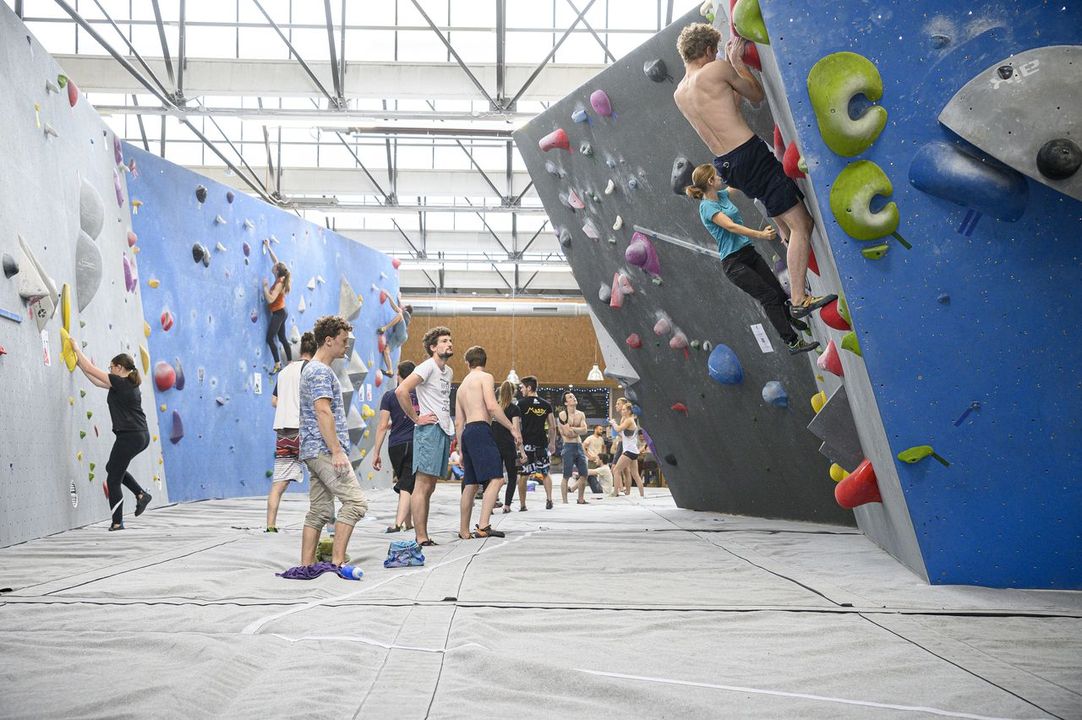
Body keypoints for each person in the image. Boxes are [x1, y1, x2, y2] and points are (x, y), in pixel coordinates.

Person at [674, 22, 835, 319]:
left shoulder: (680, 93)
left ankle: (792, 256)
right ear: (709, 50)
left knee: (786, 224)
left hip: (727, 164)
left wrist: (731, 75)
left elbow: (727, 107)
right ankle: (799, 298)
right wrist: (736, 64)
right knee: (803, 224)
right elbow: (755, 95)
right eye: (714, 53)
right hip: (749, 155)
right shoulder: (716, 68)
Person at [686, 164, 818, 354]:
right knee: (769, 297)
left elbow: (735, 185)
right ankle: (792, 342)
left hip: (748, 253)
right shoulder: (707, 207)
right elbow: (731, 227)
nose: (720, 177)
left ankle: (789, 318)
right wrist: (761, 234)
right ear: (710, 182)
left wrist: (740, 169)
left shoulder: (721, 195)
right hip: (734, 263)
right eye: (716, 176)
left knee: (778, 293)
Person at [297, 315, 368, 568]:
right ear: (328, 341)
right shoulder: (318, 371)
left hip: (314, 449)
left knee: (320, 511)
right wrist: (337, 451)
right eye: (343, 340)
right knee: (356, 503)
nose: (347, 345)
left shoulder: (315, 369)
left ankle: (306, 566)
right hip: (325, 450)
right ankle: (337, 562)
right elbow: (322, 411)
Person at [71, 342, 151, 531]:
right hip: (139, 435)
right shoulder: (126, 384)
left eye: (111, 367)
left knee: (113, 479)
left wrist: (75, 348)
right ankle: (141, 495)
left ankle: (117, 522)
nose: (110, 369)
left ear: (119, 368)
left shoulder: (121, 382)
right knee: (113, 468)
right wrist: (78, 364)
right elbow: (96, 380)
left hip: (130, 436)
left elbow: (92, 369)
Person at [454, 346, 522, 539]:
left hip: (467, 433)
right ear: (484, 361)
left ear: (467, 363)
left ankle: (464, 530)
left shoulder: (461, 387)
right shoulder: (485, 377)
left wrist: (460, 449)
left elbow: (458, 422)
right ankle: (483, 525)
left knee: (471, 483)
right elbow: (492, 407)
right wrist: (512, 428)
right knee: (497, 479)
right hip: (481, 430)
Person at [396, 326, 454, 547]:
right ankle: (420, 537)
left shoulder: (448, 372)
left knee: (430, 486)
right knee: (422, 485)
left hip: (443, 430)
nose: (449, 344)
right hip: (428, 431)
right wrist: (416, 418)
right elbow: (402, 390)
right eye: (444, 341)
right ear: (433, 347)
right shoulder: (427, 366)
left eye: (450, 340)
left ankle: (424, 534)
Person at [266, 331, 317, 532]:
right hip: (304, 431)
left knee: (279, 483)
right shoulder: (312, 370)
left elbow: (274, 401)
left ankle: (270, 525)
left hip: (283, 433)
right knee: (322, 478)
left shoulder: (285, 371)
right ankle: (327, 524)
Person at [372, 360, 418, 533]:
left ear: (399, 376)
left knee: (404, 482)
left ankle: (408, 523)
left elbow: (382, 425)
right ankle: (398, 523)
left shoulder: (389, 396)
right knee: (407, 484)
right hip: (414, 442)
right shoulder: (420, 394)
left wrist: (376, 452)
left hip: (395, 446)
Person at [516, 376, 557, 510]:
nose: (521, 390)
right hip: (542, 443)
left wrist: (518, 443)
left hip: (527, 444)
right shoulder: (546, 404)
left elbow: (517, 425)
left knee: (524, 474)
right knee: (545, 472)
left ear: (529, 388)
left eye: (522, 387)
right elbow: (552, 426)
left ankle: (522, 505)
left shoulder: (520, 404)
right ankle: (549, 499)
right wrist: (552, 443)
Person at [493, 380, 525, 513]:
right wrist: (522, 451)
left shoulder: (494, 408)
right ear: (513, 393)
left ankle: (492, 503)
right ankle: (506, 506)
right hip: (508, 446)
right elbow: (516, 431)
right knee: (512, 477)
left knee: (494, 477)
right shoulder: (514, 409)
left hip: (493, 445)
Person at [262, 239, 293, 374]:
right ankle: (290, 363)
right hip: (281, 311)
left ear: (277, 271)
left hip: (279, 312)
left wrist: (265, 287)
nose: (273, 265)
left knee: (270, 338)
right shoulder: (280, 277)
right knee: (281, 338)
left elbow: (270, 299)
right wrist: (268, 247)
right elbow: (276, 260)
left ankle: (278, 364)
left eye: (275, 266)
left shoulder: (279, 283)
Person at [556, 392, 590, 504]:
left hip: (579, 446)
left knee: (584, 474)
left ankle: (580, 499)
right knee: (566, 475)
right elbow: (567, 433)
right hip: (568, 446)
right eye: (570, 397)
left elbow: (585, 430)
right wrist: (578, 429)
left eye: (573, 396)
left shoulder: (581, 414)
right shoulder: (563, 414)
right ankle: (565, 501)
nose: (573, 398)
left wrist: (574, 429)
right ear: (566, 402)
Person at [610, 399, 644, 498]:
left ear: (629, 411)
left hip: (629, 451)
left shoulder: (629, 420)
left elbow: (618, 429)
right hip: (633, 451)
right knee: (635, 474)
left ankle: (615, 492)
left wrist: (613, 423)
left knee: (616, 470)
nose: (622, 411)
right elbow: (622, 434)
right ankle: (642, 495)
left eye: (624, 409)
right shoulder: (630, 420)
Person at [378, 294, 412, 378]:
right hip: (399, 336)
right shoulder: (405, 314)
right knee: (386, 351)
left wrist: (389, 296)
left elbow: (397, 308)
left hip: (402, 333)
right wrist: (399, 298)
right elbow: (399, 307)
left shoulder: (406, 314)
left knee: (399, 316)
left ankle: (384, 328)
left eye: (405, 306)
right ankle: (390, 370)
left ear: (406, 309)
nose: (403, 307)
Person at [582, 424, 607, 495]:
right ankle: (574, 488)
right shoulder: (590, 438)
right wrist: (589, 456)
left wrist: (603, 456)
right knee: (587, 475)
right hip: (592, 460)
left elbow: (603, 447)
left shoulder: (601, 439)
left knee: (600, 475)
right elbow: (583, 447)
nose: (601, 431)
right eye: (600, 429)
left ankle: (598, 488)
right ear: (595, 429)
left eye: (602, 429)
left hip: (600, 461)